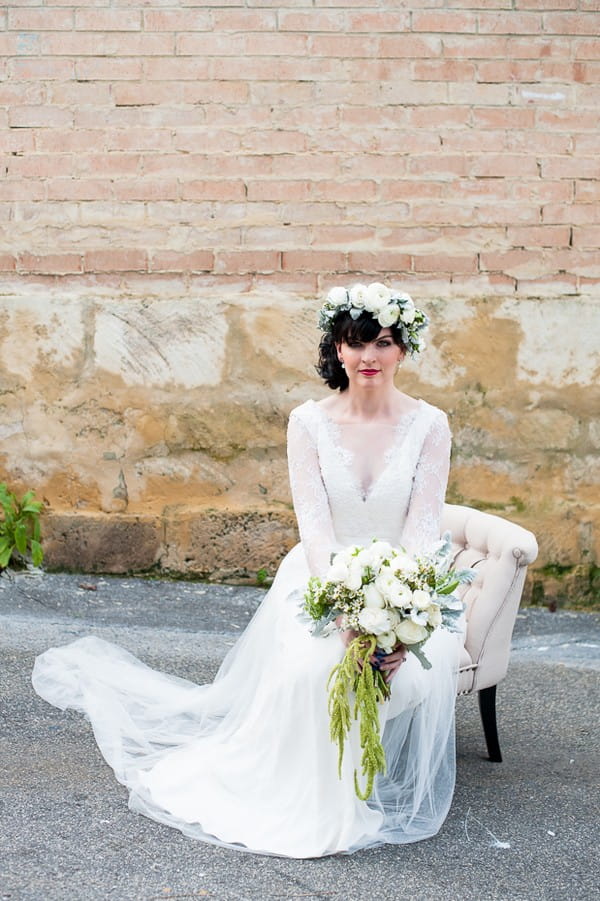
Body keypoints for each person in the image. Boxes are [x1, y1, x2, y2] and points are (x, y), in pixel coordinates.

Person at [32, 282, 460, 858]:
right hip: (320, 583)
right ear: (336, 349)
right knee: (317, 672)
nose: (369, 358)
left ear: (403, 349)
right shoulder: (307, 423)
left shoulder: (430, 425)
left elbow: (422, 530)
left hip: (403, 588)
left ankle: (357, 781)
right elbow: (316, 532)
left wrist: (397, 621)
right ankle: (315, 799)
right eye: (355, 344)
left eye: (382, 343)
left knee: (397, 676)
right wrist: (347, 618)